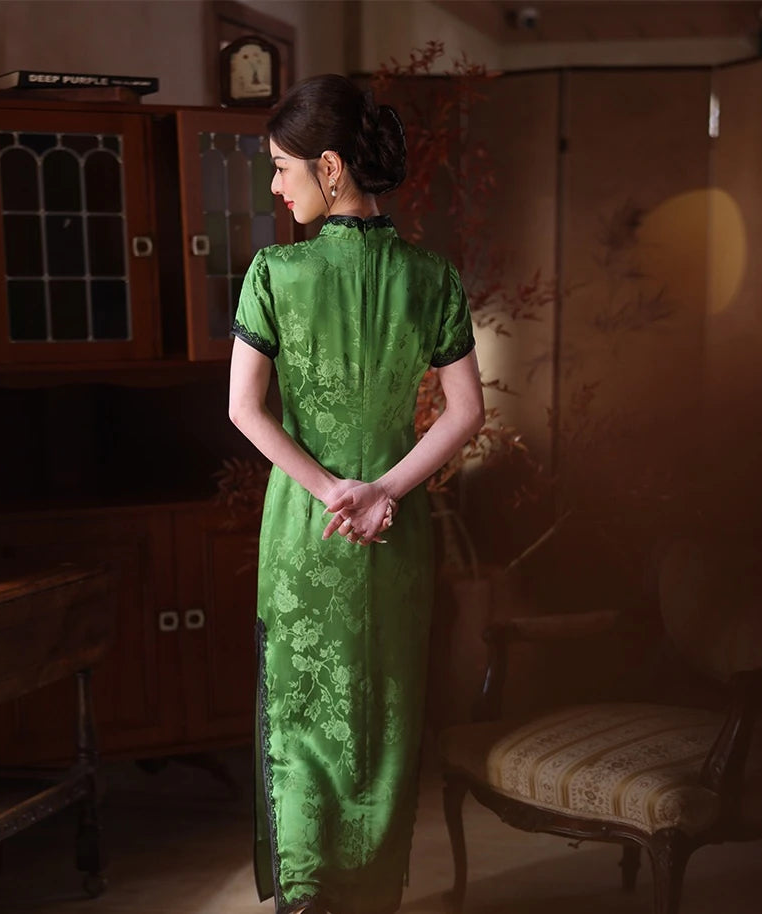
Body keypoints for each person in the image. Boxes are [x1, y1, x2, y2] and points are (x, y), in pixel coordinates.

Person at [228, 74, 485, 914]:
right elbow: (466, 413)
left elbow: (243, 409)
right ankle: (375, 894)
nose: (275, 186)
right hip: (394, 530)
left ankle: (306, 899)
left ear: (329, 167)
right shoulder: (433, 275)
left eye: (280, 167)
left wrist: (331, 490)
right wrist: (383, 492)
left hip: (307, 529)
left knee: (299, 720)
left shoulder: (273, 272)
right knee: (382, 717)